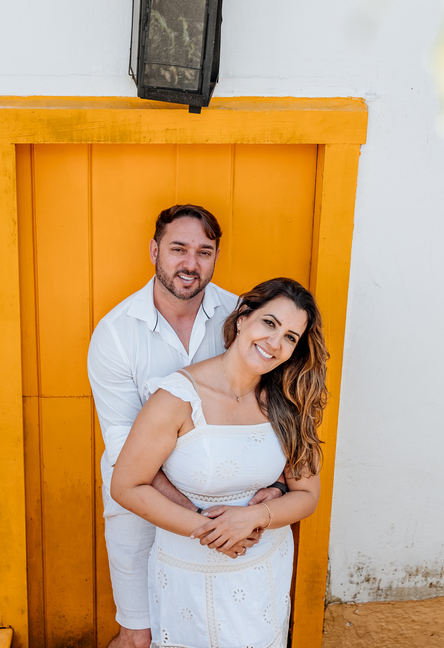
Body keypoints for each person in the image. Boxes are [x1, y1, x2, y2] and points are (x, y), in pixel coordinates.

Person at [88, 205, 285, 648]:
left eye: (204, 252)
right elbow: (123, 447)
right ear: (154, 251)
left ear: (216, 257)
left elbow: (274, 408)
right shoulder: (116, 334)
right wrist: (200, 520)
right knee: (141, 635)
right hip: (141, 505)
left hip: (234, 510)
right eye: (178, 249)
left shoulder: (240, 317)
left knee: (223, 633)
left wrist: (276, 489)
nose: (190, 264)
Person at [110, 278, 329, 648]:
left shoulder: (288, 399)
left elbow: (307, 494)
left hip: (263, 572)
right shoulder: (178, 398)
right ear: (243, 318)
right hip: (190, 573)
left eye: (290, 337)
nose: (275, 343)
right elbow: (126, 486)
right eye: (270, 323)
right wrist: (210, 531)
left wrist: (254, 517)